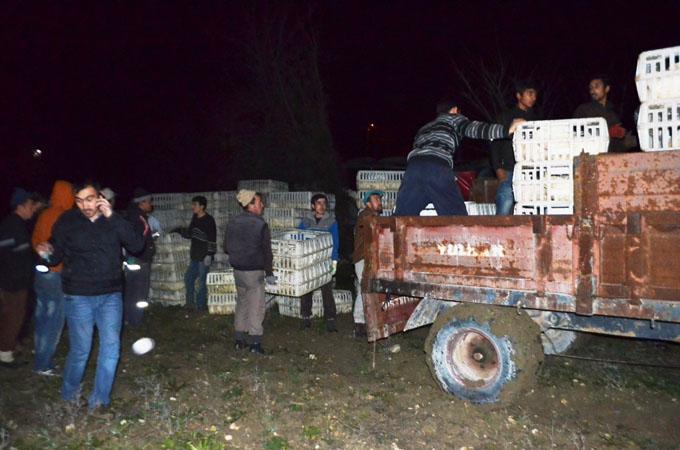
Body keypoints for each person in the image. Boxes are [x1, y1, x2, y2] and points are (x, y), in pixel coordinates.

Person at [35, 182, 143, 411]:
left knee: (111, 348)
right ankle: (69, 395)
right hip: (78, 295)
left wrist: (112, 216)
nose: (85, 205)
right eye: (80, 200)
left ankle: (99, 400)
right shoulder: (68, 221)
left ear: (100, 198)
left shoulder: (113, 220)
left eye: (90, 198)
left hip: (111, 295)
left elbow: (137, 244)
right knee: (81, 349)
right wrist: (46, 252)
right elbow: (55, 256)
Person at [394, 98, 524, 216]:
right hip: (437, 167)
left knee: (401, 218)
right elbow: (476, 129)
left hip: (413, 169)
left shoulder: (425, 128)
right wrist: (506, 130)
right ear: (455, 110)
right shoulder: (454, 118)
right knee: (457, 219)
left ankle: (387, 240)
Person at [31, 180, 75, 376]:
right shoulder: (65, 217)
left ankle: (39, 354)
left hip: (40, 272)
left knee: (41, 317)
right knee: (54, 320)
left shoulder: (44, 215)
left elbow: (35, 241)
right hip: (56, 273)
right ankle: (44, 364)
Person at [224, 190, 275, 355]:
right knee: (256, 306)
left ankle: (239, 340)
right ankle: (255, 343)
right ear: (251, 205)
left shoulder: (233, 222)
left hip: (238, 270)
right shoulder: (260, 224)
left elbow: (225, 247)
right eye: (259, 203)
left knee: (242, 303)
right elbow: (267, 252)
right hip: (254, 271)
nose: (262, 205)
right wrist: (269, 273)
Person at [0, 188, 39, 367]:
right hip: (13, 282)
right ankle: (5, 355)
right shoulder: (13, 226)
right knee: (13, 316)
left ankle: (8, 347)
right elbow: (14, 257)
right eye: (31, 205)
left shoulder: (15, 224)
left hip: (13, 280)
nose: (34, 208)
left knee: (12, 315)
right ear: (21, 206)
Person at [490, 81, 541, 215]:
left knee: (531, 203)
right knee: (506, 200)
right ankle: (499, 229)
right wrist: (497, 168)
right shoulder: (506, 116)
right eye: (530, 93)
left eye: (535, 94)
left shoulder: (536, 118)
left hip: (531, 168)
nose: (533, 97)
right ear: (519, 95)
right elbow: (495, 143)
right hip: (508, 168)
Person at [299, 193, 339, 332]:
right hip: (309, 262)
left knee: (327, 291)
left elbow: (335, 242)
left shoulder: (331, 222)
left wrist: (334, 261)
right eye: (318, 203)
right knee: (306, 289)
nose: (322, 206)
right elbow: (299, 238)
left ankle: (330, 320)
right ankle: (305, 318)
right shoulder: (306, 221)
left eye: (324, 203)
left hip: (324, 261)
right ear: (313, 206)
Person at [173, 195, 217, 311]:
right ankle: (190, 303)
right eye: (192, 204)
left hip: (204, 257)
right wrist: (178, 230)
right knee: (189, 278)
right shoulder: (195, 218)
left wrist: (210, 254)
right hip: (195, 255)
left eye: (195, 205)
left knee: (202, 282)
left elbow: (212, 238)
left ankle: (200, 306)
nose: (192, 207)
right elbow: (190, 234)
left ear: (202, 206)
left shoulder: (209, 220)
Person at [573, 76, 636, 153]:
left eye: (596, 86)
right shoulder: (583, 109)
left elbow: (613, 147)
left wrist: (625, 144)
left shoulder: (613, 112)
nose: (592, 91)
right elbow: (576, 134)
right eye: (590, 88)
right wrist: (607, 133)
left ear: (607, 89)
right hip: (590, 157)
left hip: (609, 159)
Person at [123, 188, 155, 327]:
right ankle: (136, 320)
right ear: (142, 203)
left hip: (132, 259)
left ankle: (127, 318)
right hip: (140, 260)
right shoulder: (140, 219)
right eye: (149, 201)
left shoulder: (131, 216)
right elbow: (140, 240)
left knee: (130, 290)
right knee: (140, 292)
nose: (151, 204)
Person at [352, 190, 383, 338]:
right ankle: (359, 323)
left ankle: (364, 322)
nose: (379, 201)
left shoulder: (373, 216)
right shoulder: (366, 216)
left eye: (379, 198)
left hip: (368, 259)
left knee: (366, 289)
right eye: (376, 199)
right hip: (363, 259)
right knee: (364, 290)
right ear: (368, 203)